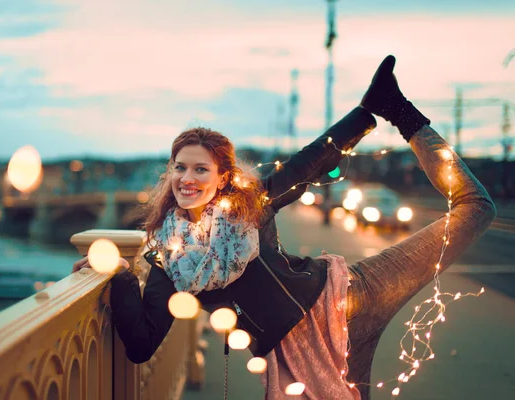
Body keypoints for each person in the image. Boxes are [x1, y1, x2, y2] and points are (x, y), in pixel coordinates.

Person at [72, 55, 496, 400]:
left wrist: (371, 112)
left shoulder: (248, 206)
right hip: (301, 360)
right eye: (180, 167)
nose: (188, 178)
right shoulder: (167, 261)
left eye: (201, 168)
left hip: (356, 292)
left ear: (222, 177)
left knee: (477, 208)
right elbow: (142, 343)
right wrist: (118, 275)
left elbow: (310, 162)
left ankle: (402, 111)